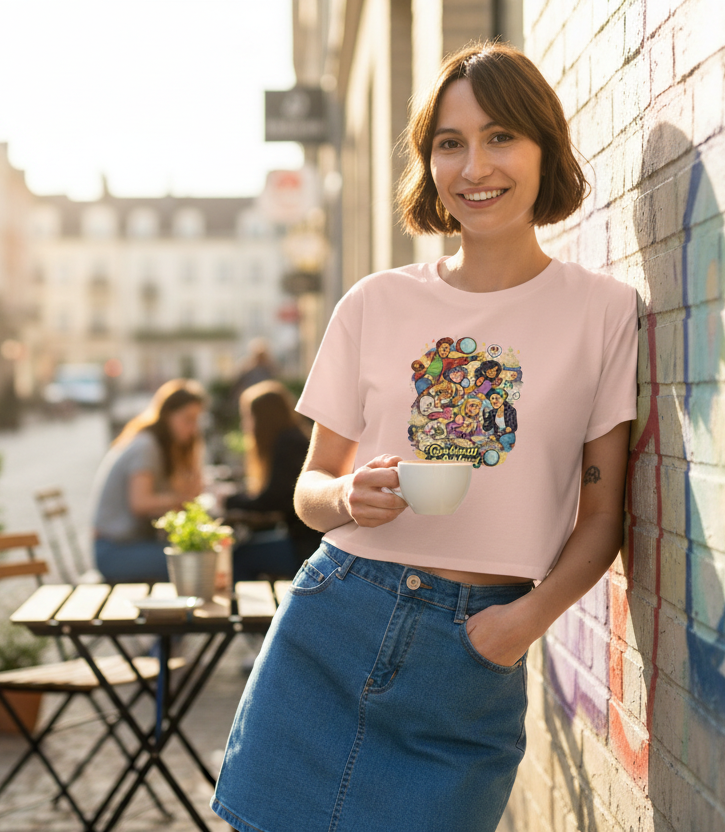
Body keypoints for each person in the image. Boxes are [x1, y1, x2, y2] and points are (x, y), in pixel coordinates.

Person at [210, 41, 638, 832]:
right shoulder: (374, 303)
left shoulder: (603, 311)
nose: (475, 165)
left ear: (546, 147)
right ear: (430, 164)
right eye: (450, 143)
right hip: (335, 619)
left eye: (501, 135)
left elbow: (604, 516)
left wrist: (525, 622)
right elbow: (308, 492)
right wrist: (344, 495)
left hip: (475, 654)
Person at [91, 379, 205, 583]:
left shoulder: (158, 446)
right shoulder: (147, 446)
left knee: (195, 557)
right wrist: (180, 498)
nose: (193, 428)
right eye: (188, 419)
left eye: (196, 420)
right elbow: (140, 503)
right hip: (114, 551)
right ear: (168, 415)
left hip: (130, 545)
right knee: (193, 563)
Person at [224, 380, 323, 582]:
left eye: (247, 417)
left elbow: (272, 500)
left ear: (263, 417)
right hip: (306, 540)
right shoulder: (294, 438)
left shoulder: (287, 444)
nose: (245, 425)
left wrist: (228, 500)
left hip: (305, 546)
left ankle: (244, 612)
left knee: (240, 557)